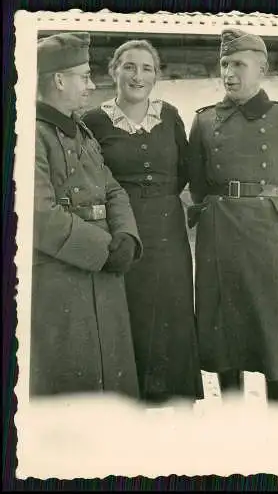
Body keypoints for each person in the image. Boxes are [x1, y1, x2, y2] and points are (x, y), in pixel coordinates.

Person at [187, 29, 278, 405]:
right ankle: (233, 420)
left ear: (262, 69)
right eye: (224, 64)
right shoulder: (203, 121)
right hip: (219, 238)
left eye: (239, 64)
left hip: (272, 239)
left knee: (275, 328)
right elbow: (198, 186)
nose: (229, 72)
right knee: (223, 328)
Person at [82, 39, 204, 406]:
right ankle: (133, 401)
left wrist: (162, 201)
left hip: (168, 229)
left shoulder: (169, 116)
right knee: (127, 308)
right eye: (130, 67)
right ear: (114, 71)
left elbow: (185, 169)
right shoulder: (93, 120)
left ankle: (176, 396)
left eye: (147, 68)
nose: (138, 75)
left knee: (173, 307)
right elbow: (92, 179)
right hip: (122, 229)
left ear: (156, 76)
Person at [31, 32, 143, 399]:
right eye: (83, 76)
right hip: (62, 277)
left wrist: (126, 235)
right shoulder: (30, 134)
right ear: (59, 80)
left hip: (103, 273)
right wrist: (102, 249)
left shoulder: (80, 131)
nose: (91, 85)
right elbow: (39, 214)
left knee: (111, 379)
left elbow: (112, 188)